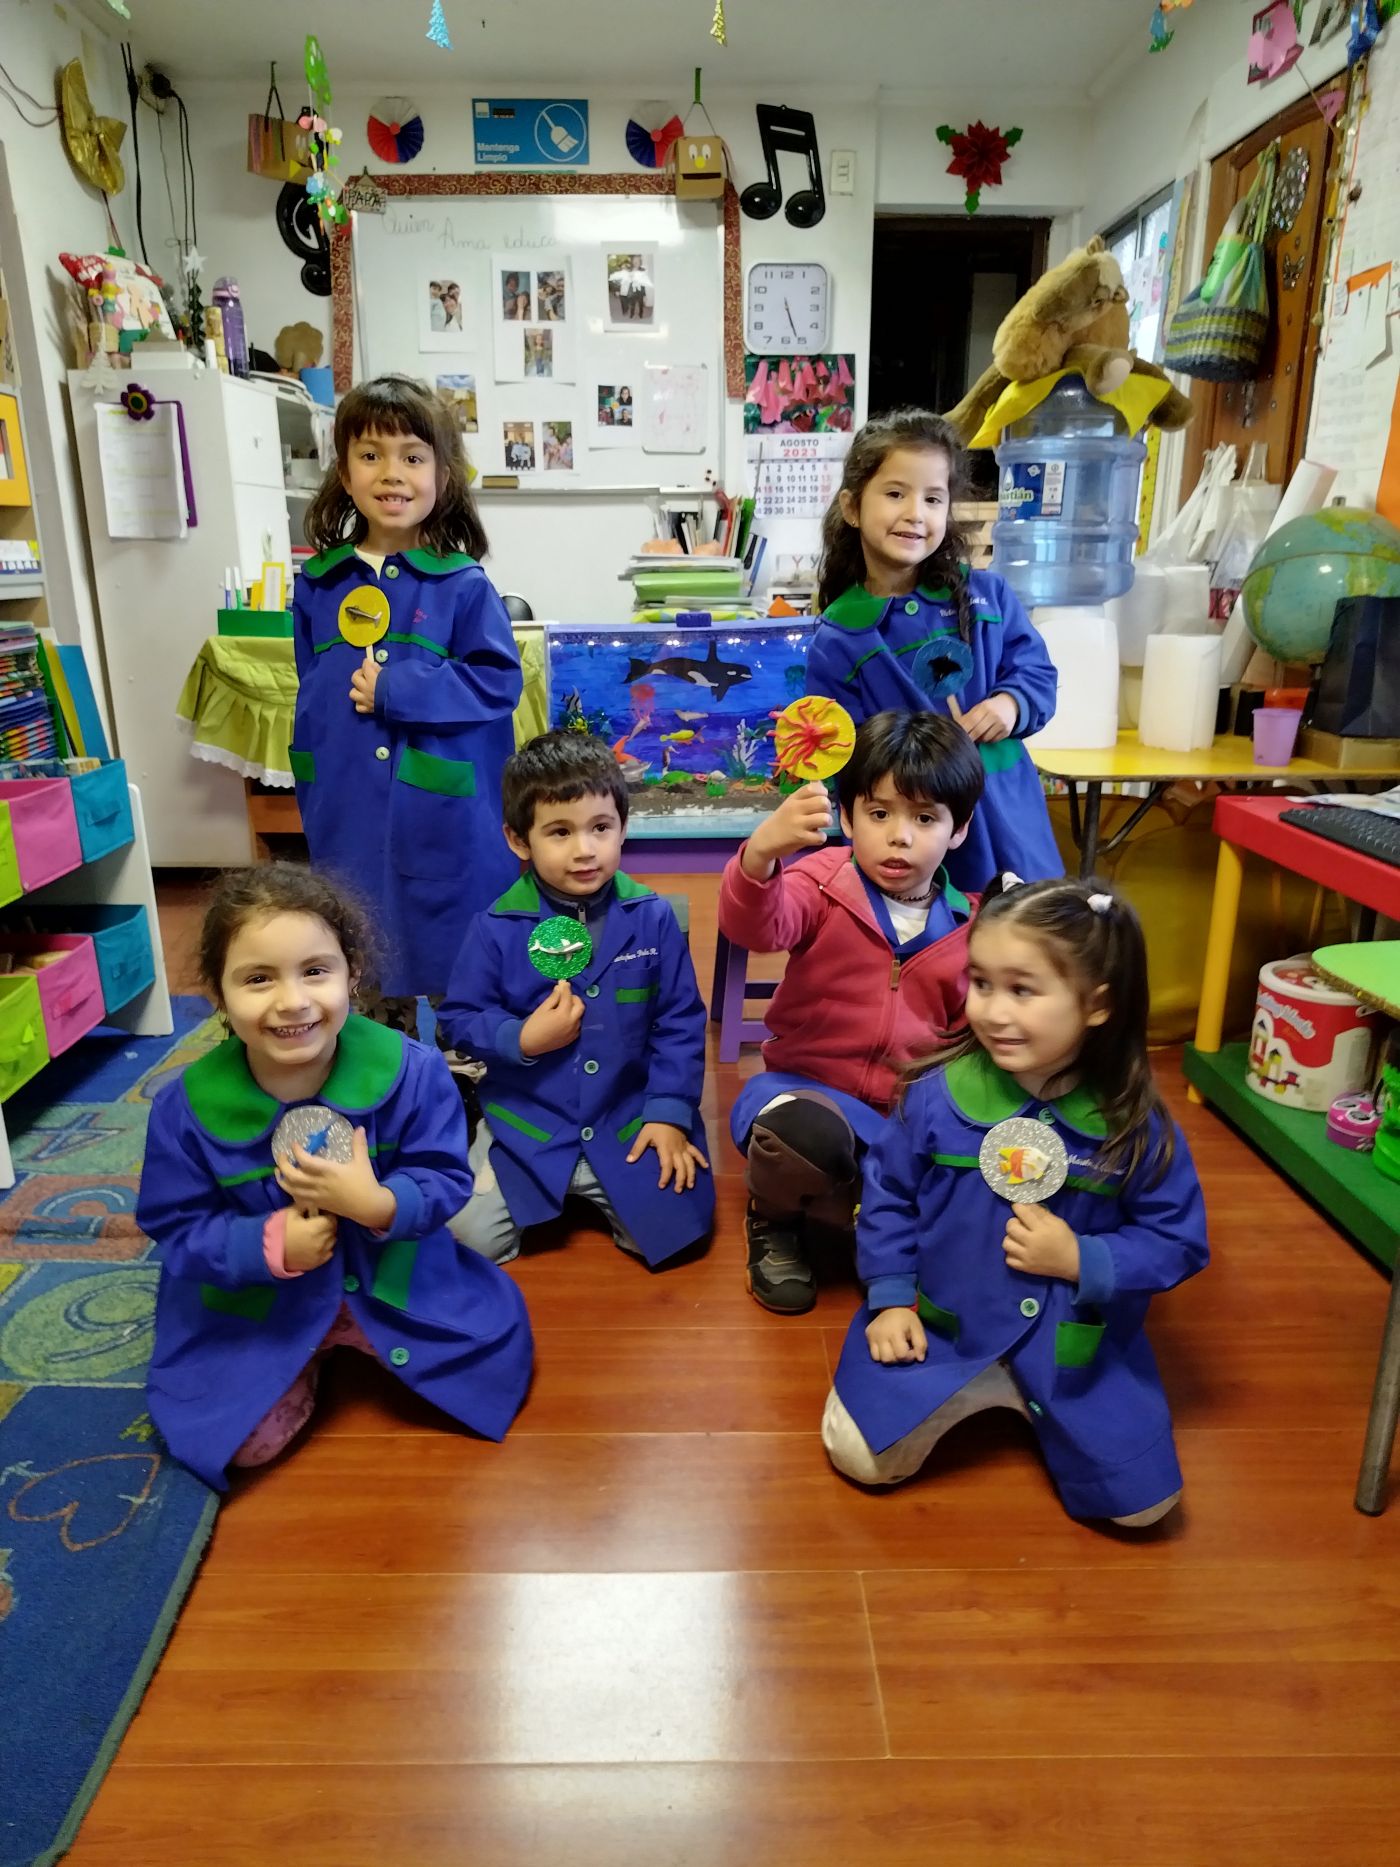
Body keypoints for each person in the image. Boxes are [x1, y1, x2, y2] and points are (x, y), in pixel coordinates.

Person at [823, 875, 1209, 1527]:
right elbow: (888, 1197)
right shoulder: (935, 1095)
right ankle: (977, 1386)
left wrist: (1083, 1258)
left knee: (1148, 1509)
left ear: (1097, 1004)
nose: (993, 1011)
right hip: (943, 1329)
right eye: (981, 983)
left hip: (1071, 1348)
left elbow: (1178, 1239)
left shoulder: (1134, 1125)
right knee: (859, 1455)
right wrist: (889, 1299)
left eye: (1022, 990)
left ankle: (1040, 1401)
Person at [136, 864, 534, 1490]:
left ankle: (352, 1324)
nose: (292, 1001)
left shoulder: (414, 1072)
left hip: (394, 1277)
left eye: (315, 971)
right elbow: (176, 1226)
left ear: (352, 973)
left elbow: (443, 1178)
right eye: (258, 978)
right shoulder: (182, 1110)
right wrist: (270, 1245)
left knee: (484, 1366)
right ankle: (305, 1344)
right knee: (238, 1439)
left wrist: (380, 1204)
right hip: (259, 1303)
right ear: (217, 991)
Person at [718, 710, 984, 1315]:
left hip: (901, 1119)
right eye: (879, 814)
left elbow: (971, 1041)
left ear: (959, 829)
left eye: (925, 819)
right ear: (846, 817)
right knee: (801, 1133)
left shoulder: (970, 926)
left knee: (960, 1179)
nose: (899, 837)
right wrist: (760, 856)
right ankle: (775, 1219)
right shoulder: (821, 881)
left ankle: (862, 1210)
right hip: (802, 1093)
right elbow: (756, 926)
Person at [292, 374, 521, 1033]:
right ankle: (385, 1070)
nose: (392, 473)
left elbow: (497, 681)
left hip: (441, 814)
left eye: (413, 457)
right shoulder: (318, 584)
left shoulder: (463, 586)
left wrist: (397, 690)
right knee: (359, 943)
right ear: (345, 472)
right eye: (371, 455)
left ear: (442, 477)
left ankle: (467, 1067)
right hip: (346, 806)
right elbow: (312, 684)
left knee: (454, 952)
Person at [439, 731, 713, 1268]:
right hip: (528, 1125)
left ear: (623, 828)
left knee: (680, 1232)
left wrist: (668, 1115)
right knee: (466, 1241)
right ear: (519, 840)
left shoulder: (652, 917)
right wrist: (521, 1038)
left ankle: (621, 1178)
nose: (585, 849)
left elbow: (679, 1023)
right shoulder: (496, 926)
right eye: (560, 832)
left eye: (600, 828)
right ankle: (490, 1143)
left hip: (626, 1118)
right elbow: (459, 1018)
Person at [806, 408, 1061, 895]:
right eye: (895, 493)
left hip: (1010, 812)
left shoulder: (987, 596)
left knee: (1030, 922)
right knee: (943, 929)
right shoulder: (839, 637)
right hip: (917, 836)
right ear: (852, 507)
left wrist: (1010, 704)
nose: (915, 513)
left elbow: (1036, 672)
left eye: (933, 498)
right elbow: (842, 760)